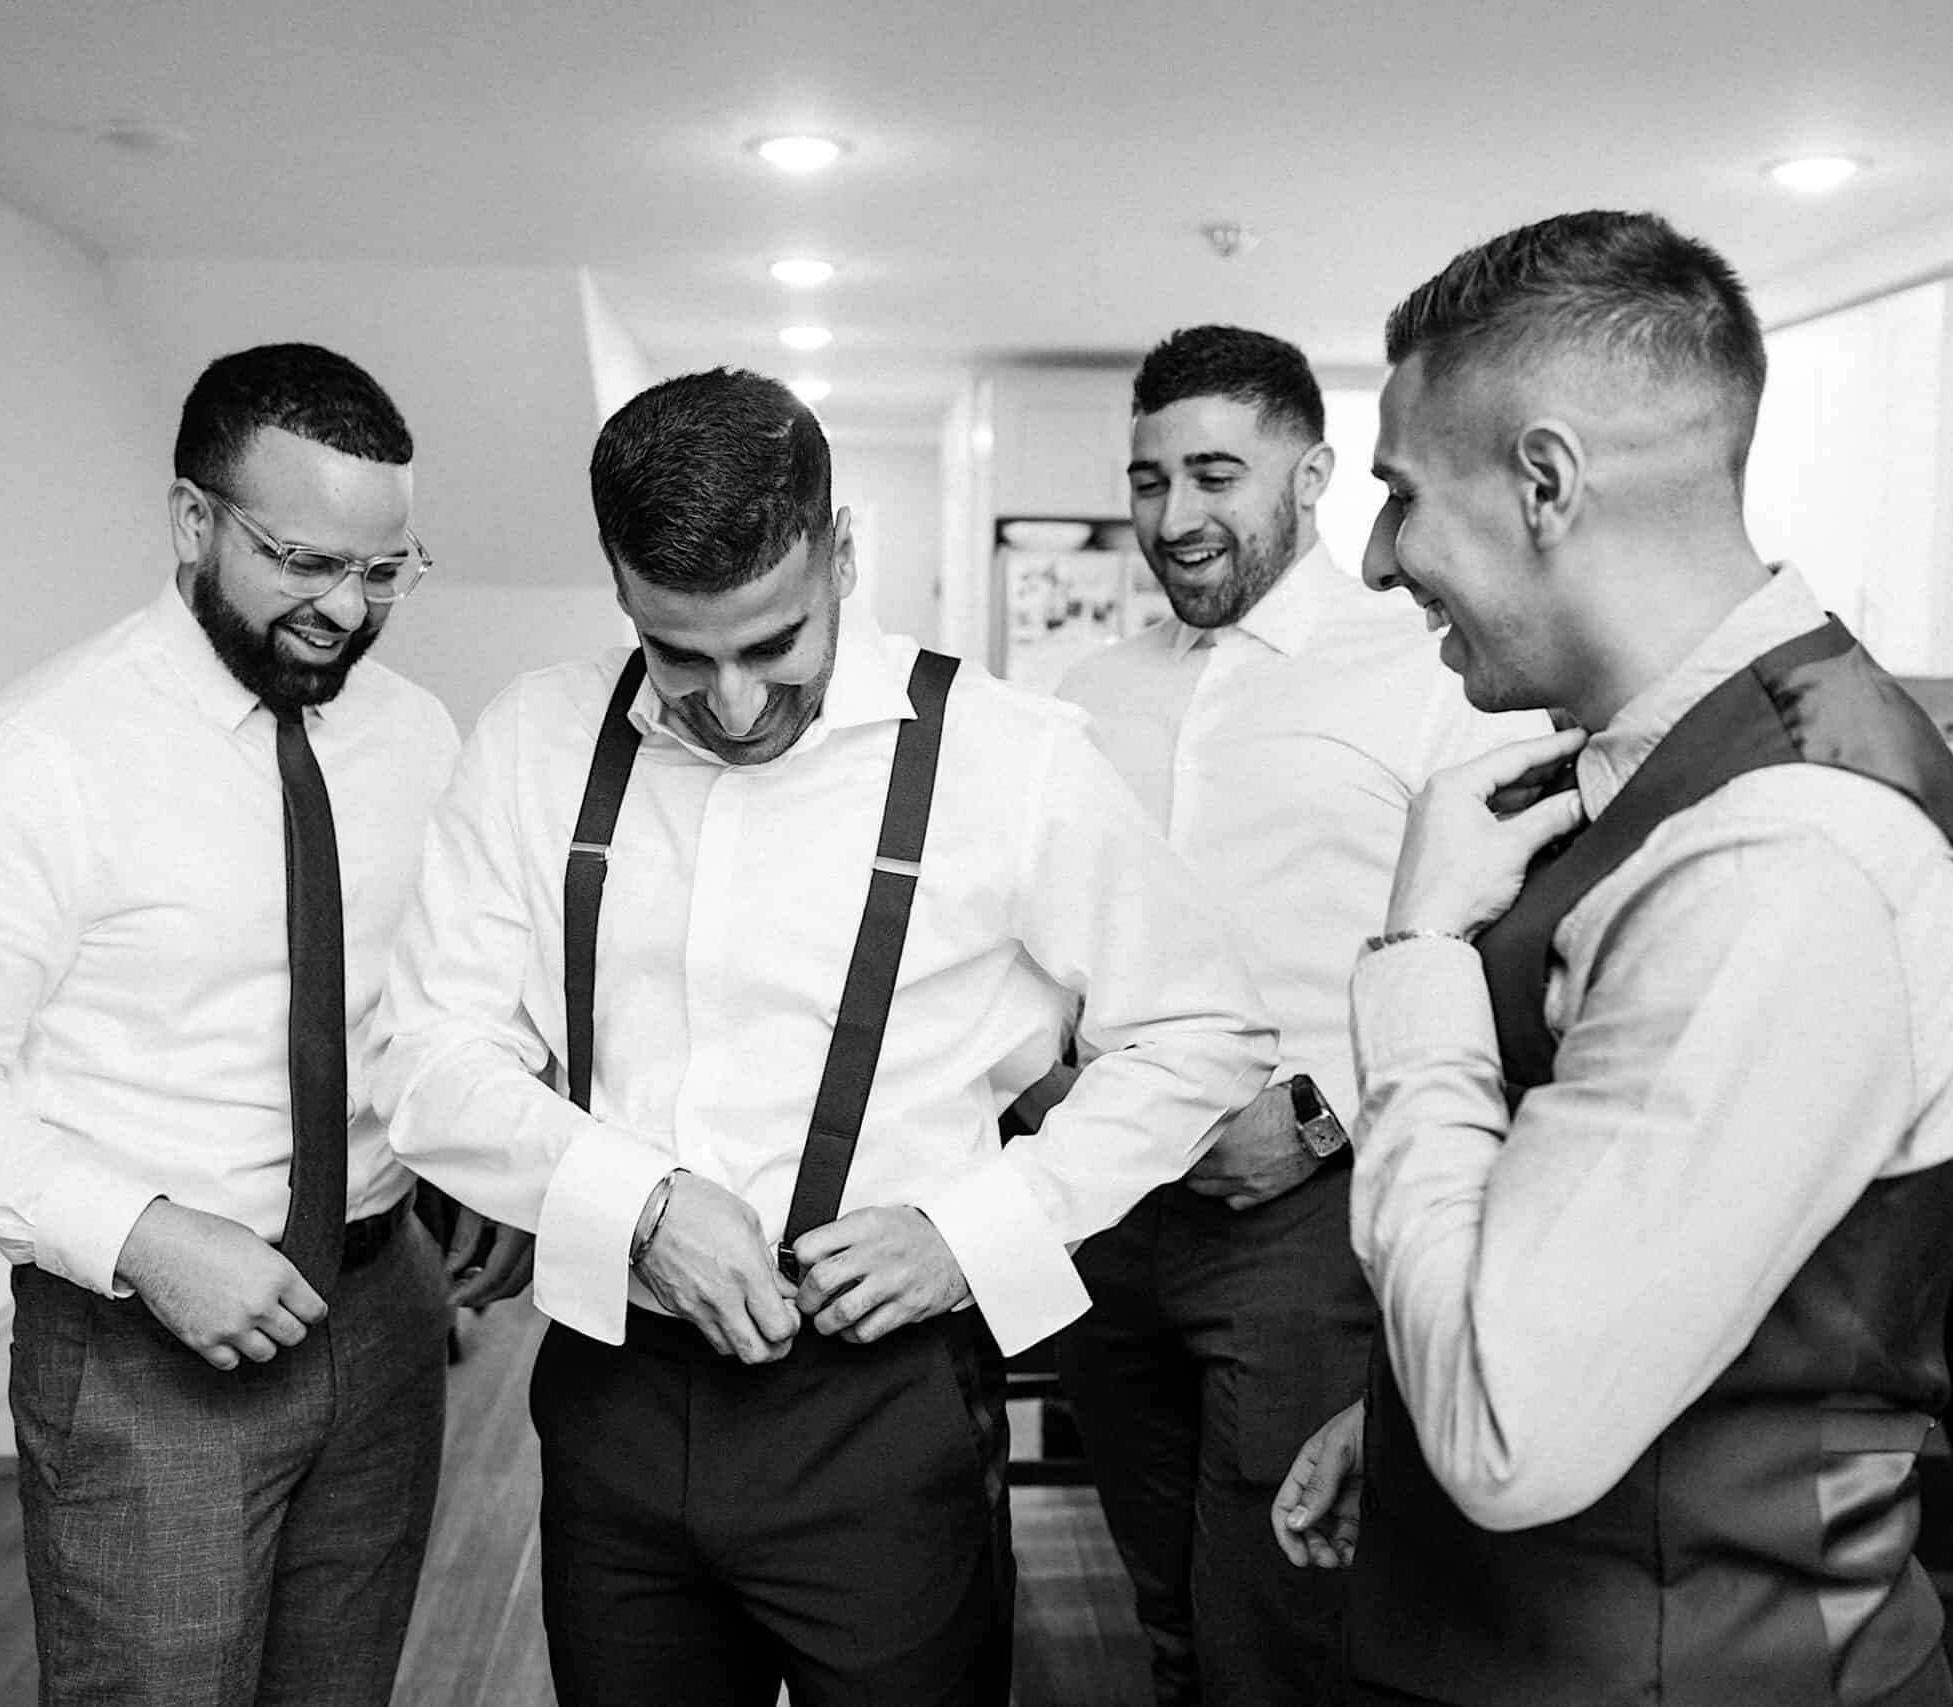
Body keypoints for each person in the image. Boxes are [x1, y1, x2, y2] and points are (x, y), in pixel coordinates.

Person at [371, 366, 1277, 1707]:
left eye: (772, 644)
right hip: (614, 1394)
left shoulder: (1010, 754)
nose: (734, 704)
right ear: (620, 587)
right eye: (681, 655)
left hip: (884, 1410)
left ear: (843, 556)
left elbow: (1203, 1032)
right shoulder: (531, 741)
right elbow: (427, 1052)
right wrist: (637, 1205)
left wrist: (977, 1231)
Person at [1272, 211, 1953, 1706]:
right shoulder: (1656, 776)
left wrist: (1414, 962)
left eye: (1401, 495)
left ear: (1545, 483)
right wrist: (1396, 1410)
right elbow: (1631, 1254)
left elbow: (1514, 1422)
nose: (1372, 560)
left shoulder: (1790, 853)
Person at [0, 343, 503, 1706]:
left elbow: (438, 991)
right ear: (193, 520)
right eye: (303, 561)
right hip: (148, 1352)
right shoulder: (33, 762)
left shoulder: (418, 735)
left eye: (385, 572)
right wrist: (145, 1236)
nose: (346, 609)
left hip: (385, 1315)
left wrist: (469, 1157)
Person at [1034, 325, 1536, 1707]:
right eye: (1148, 480)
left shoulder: (1431, 670)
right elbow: (1034, 947)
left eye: (1214, 474)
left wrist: (1312, 1119)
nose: (1175, 516)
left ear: (1311, 476)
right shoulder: (1084, 699)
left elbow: (1485, 949)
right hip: (1110, 1216)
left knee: (1283, 1618)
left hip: (1303, 1221)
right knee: (1161, 1596)